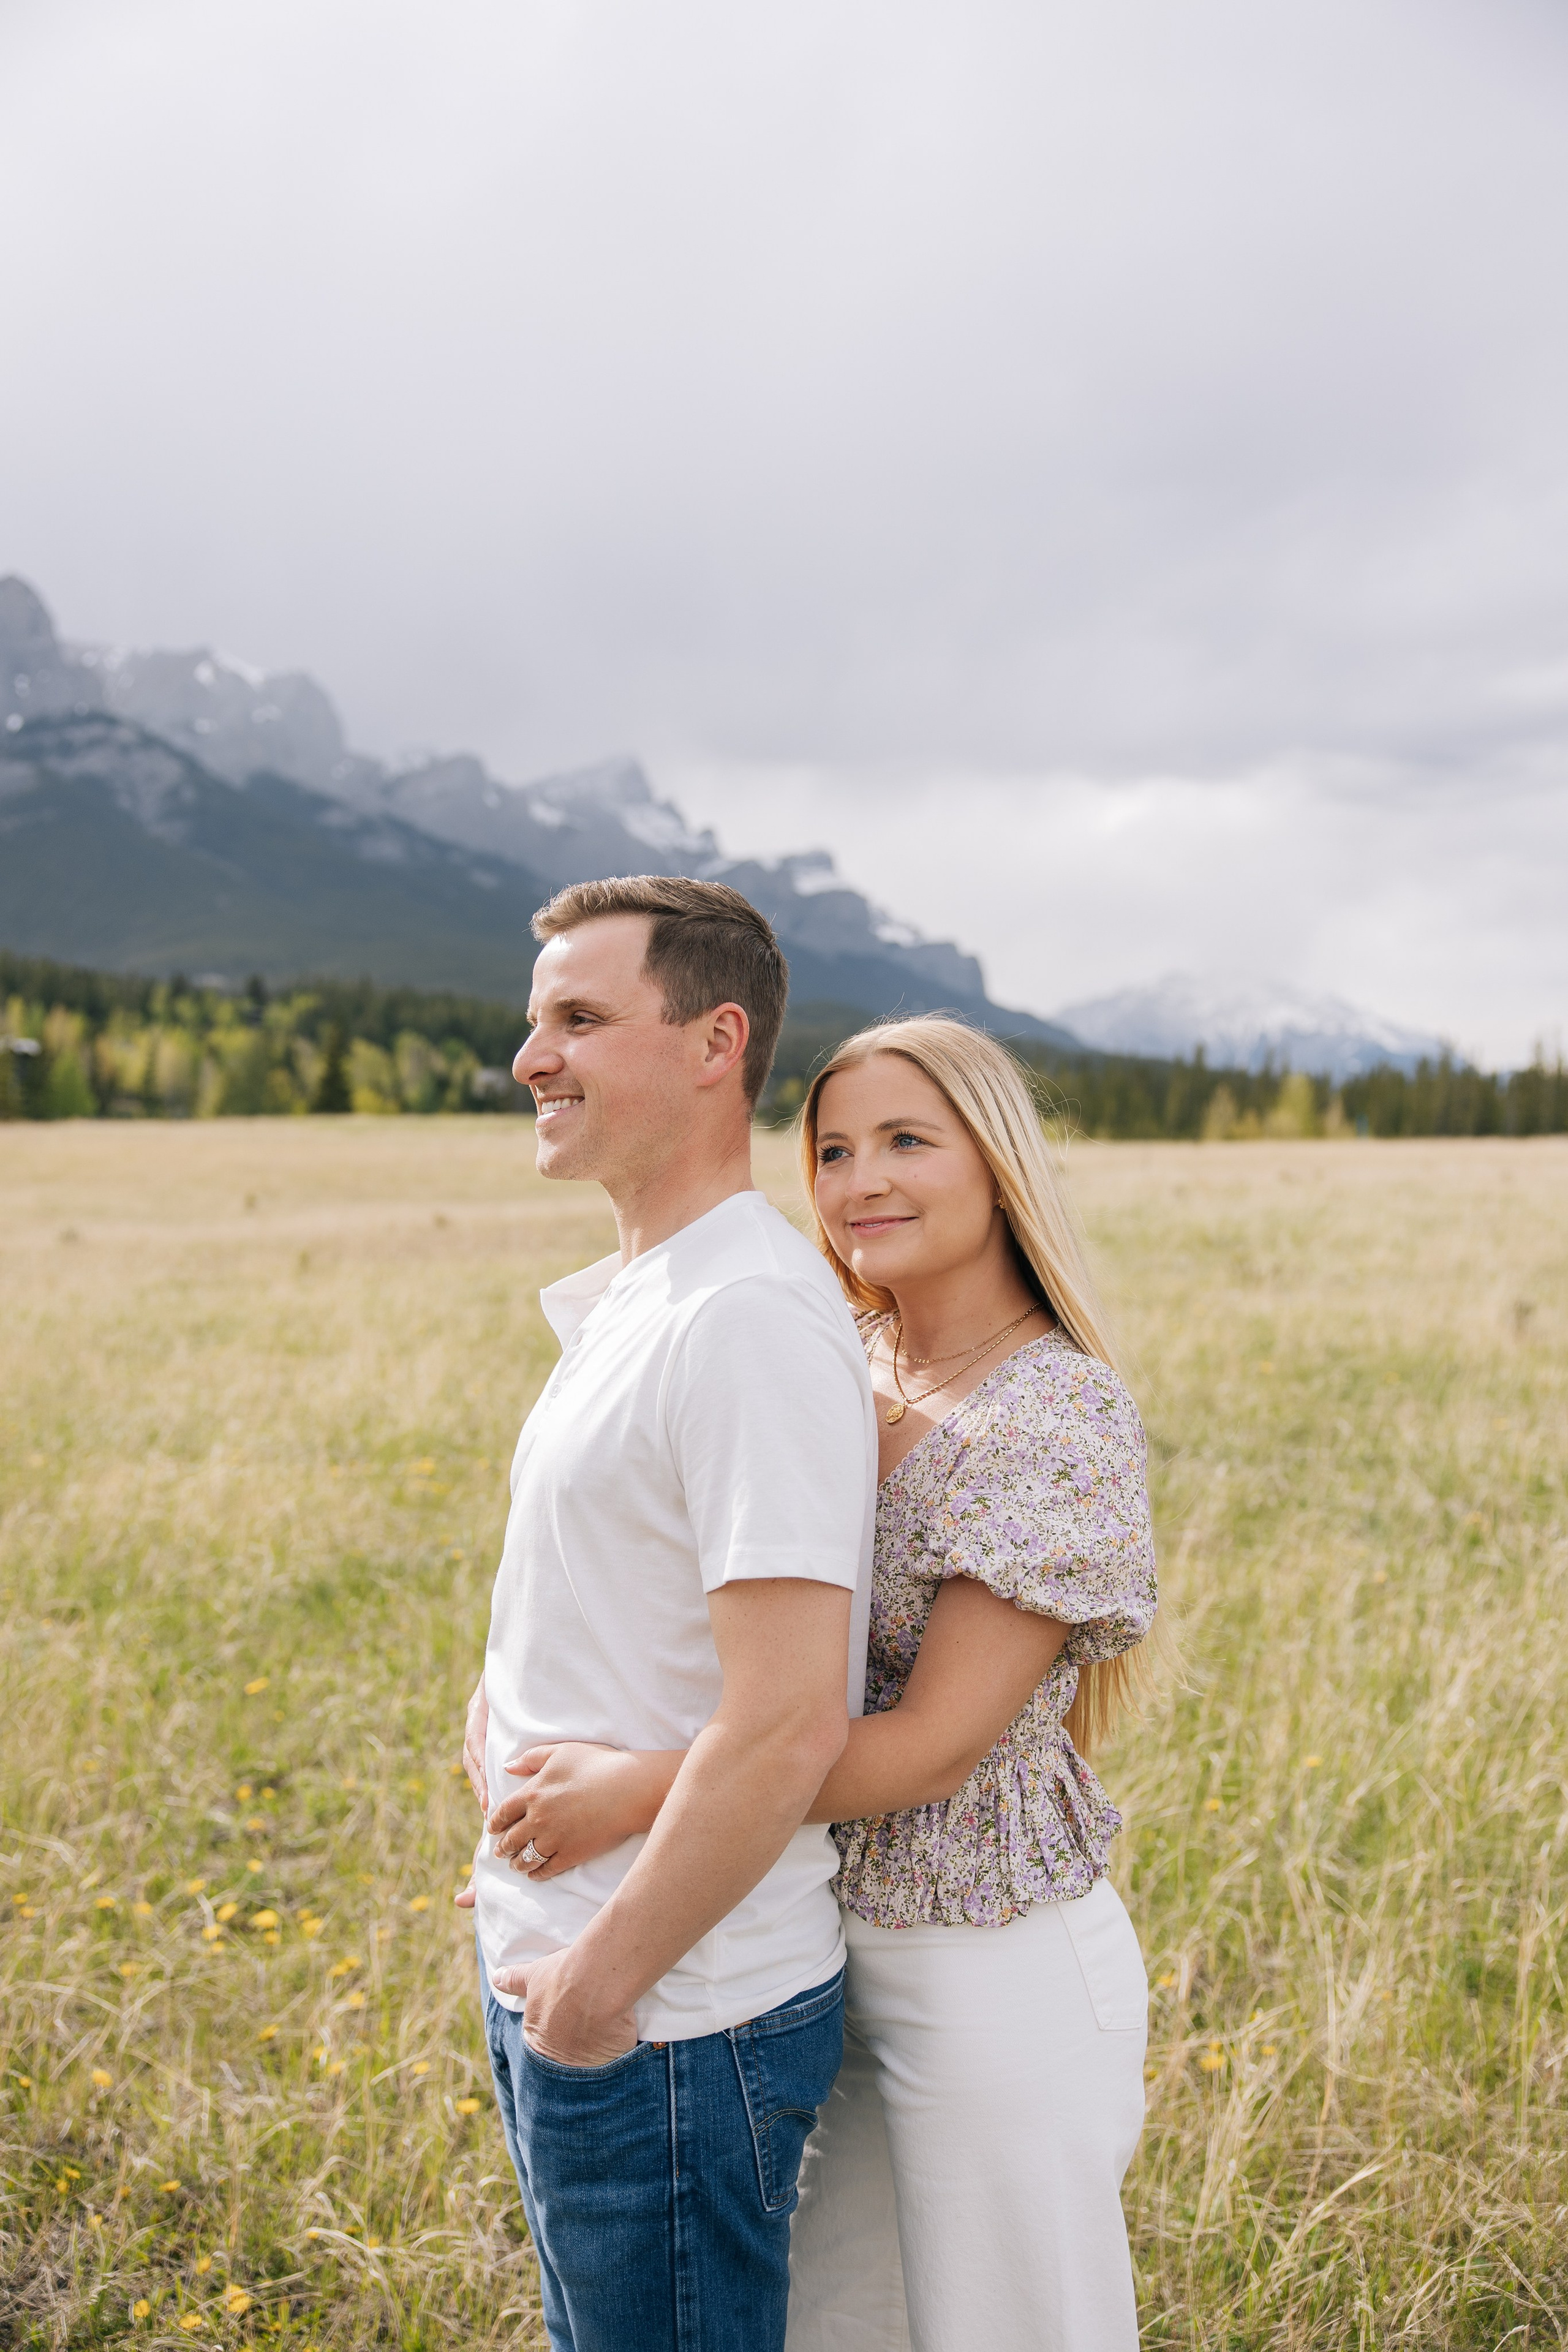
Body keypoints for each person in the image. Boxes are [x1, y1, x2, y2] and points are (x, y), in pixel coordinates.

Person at [489, 1015, 1158, 2351]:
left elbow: (929, 1746)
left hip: (986, 1960)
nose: (860, 1183)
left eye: (907, 1141)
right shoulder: (833, 1359)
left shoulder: (1052, 1415)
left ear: (997, 1165)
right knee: (833, 2326)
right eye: (835, 1150)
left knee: (1012, 2328)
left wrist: (628, 1796)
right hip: (809, 1936)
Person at [459, 876, 878, 2352]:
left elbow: (785, 1724)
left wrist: (594, 1991)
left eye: (578, 1018)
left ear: (715, 1044)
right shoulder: (645, 1290)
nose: (531, 1057)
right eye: (536, 1021)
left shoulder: (741, 1318)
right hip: (591, 1982)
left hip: (669, 2019)